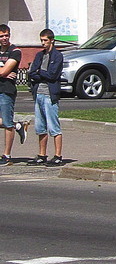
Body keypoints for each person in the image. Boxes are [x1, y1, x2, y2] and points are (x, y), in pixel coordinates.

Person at [26, 28, 64, 166]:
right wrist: (41, 73)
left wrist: (40, 72)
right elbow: (31, 73)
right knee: (40, 126)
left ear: (52, 40)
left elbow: (53, 75)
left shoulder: (57, 56)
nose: (43, 43)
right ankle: (42, 154)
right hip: (39, 93)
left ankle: (58, 155)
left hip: (50, 94)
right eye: (41, 40)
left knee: (53, 126)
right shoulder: (39, 55)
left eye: (45, 40)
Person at [0, 24, 25, 166]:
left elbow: (4, 72)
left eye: (6, 35)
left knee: (7, 123)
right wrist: (3, 70)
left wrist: (4, 71)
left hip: (6, 90)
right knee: (7, 122)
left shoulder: (14, 51)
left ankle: (7, 155)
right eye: (1, 36)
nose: (4, 38)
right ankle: (18, 126)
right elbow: (3, 71)